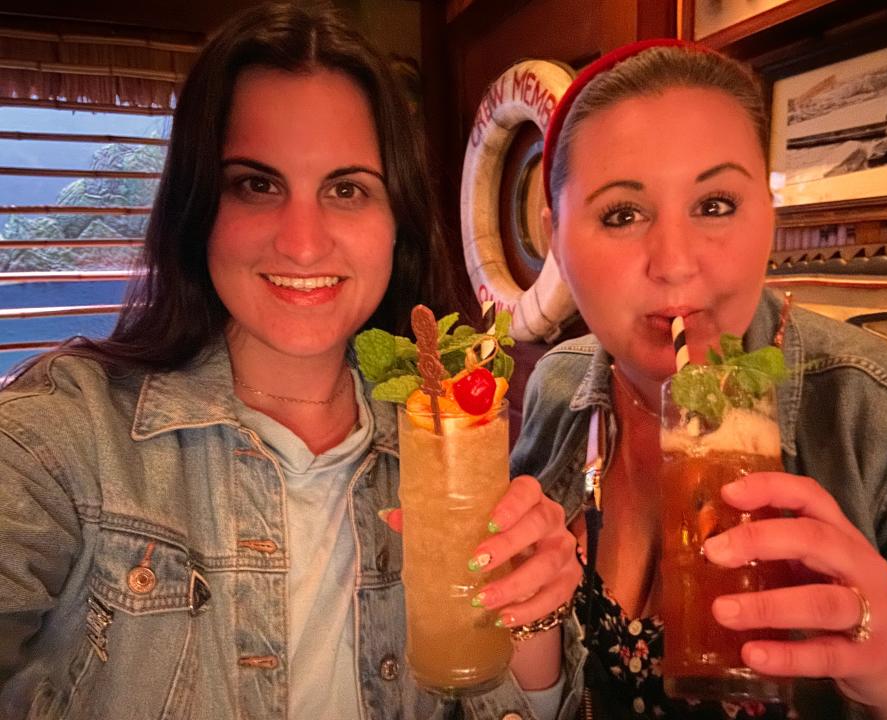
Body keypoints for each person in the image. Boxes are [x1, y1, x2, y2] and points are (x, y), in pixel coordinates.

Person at [0, 4, 584, 719]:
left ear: (395, 220)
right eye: (257, 184)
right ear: (199, 206)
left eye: (346, 189)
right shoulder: (63, 437)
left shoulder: (443, 448)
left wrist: (532, 617)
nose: (303, 244)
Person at [511, 39, 887, 720]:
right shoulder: (554, 389)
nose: (676, 263)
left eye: (716, 204)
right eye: (622, 214)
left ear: (769, 214)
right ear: (555, 239)